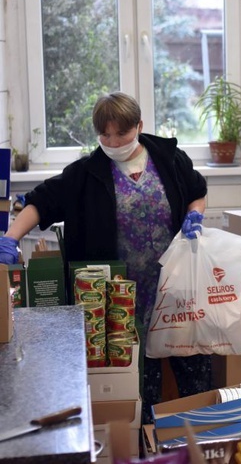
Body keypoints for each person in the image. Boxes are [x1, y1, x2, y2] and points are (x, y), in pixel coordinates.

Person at [0, 91, 211, 424]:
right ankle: (148, 449)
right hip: (121, 300)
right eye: (105, 134)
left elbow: (197, 192)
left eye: (121, 133)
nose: (113, 142)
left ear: (139, 126)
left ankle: (204, 444)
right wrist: (10, 238)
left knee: (195, 373)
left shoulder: (168, 158)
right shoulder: (86, 173)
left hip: (177, 290)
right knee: (143, 384)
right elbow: (41, 202)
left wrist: (194, 215)